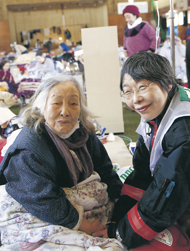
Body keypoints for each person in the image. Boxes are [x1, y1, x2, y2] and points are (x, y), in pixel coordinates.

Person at [93, 52, 190, 250]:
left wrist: (120, 234)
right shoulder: (158, 108)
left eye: (142, 87)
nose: (136, 99)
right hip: (188, 190)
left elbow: (167, 198)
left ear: (167, 83)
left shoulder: (189, 134)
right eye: (128, 91)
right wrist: (118, 217)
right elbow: (142, 171)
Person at [0, 74, 123, 249]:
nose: (65, 111)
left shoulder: (84, 135)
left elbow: (106, 172)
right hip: (42, 210)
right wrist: (87, 226)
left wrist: (121, 206)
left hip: (75, 211)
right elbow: (43, 200)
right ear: (41, 107)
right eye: (56, 103)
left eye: (73, 103)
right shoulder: (28, 149)